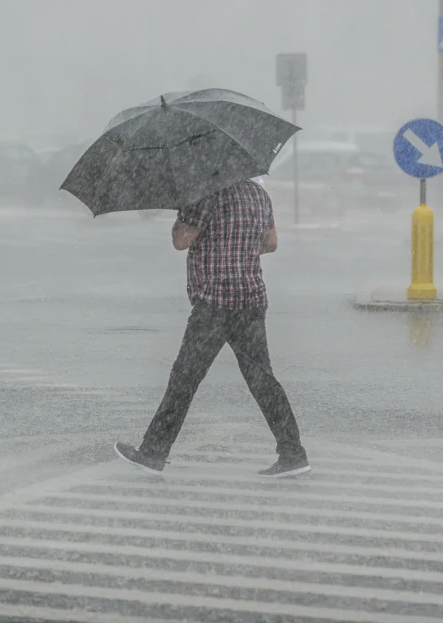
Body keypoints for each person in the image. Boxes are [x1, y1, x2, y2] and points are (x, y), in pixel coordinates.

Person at [114, 178, 310, 478]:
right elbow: (271, 243)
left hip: (215, 303)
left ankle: (153, 452)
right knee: (263, 380)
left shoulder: (203, 194)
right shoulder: (258, 194)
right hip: (250, 298)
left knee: (184, 379)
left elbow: (181, 240)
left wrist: (183, 214)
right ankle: (293, 453)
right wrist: (240, 249)